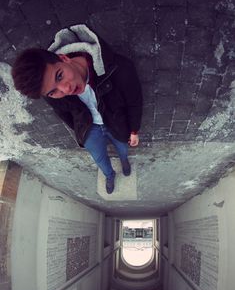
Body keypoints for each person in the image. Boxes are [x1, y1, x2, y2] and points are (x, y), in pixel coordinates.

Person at [12, 24, 142, 194]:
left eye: (60, 76)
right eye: (53, 91)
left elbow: (134, 101)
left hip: (117, 121)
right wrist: (81, 129)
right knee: (100, 160)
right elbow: (64, 114)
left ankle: (124, 162)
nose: (65, 90)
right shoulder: (49, 93)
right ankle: (109, 175)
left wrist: (134, 130)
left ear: (64, 58)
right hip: (90, 128)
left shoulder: (120, 69)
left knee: (123, 149)